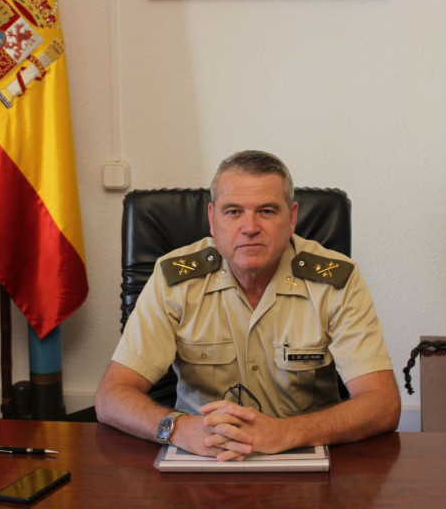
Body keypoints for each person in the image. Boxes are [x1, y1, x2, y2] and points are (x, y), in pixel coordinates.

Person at [95, 150, 400, 461]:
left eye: (267, 211)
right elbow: (111, 396)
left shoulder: (335, 280)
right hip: (201, 456)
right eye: (233, 212)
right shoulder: (174, 279)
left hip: (301, 455)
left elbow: (383, 404)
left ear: (292, 218)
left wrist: (284, 433)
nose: (250, 226)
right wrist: (179, 428)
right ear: (212, 219)